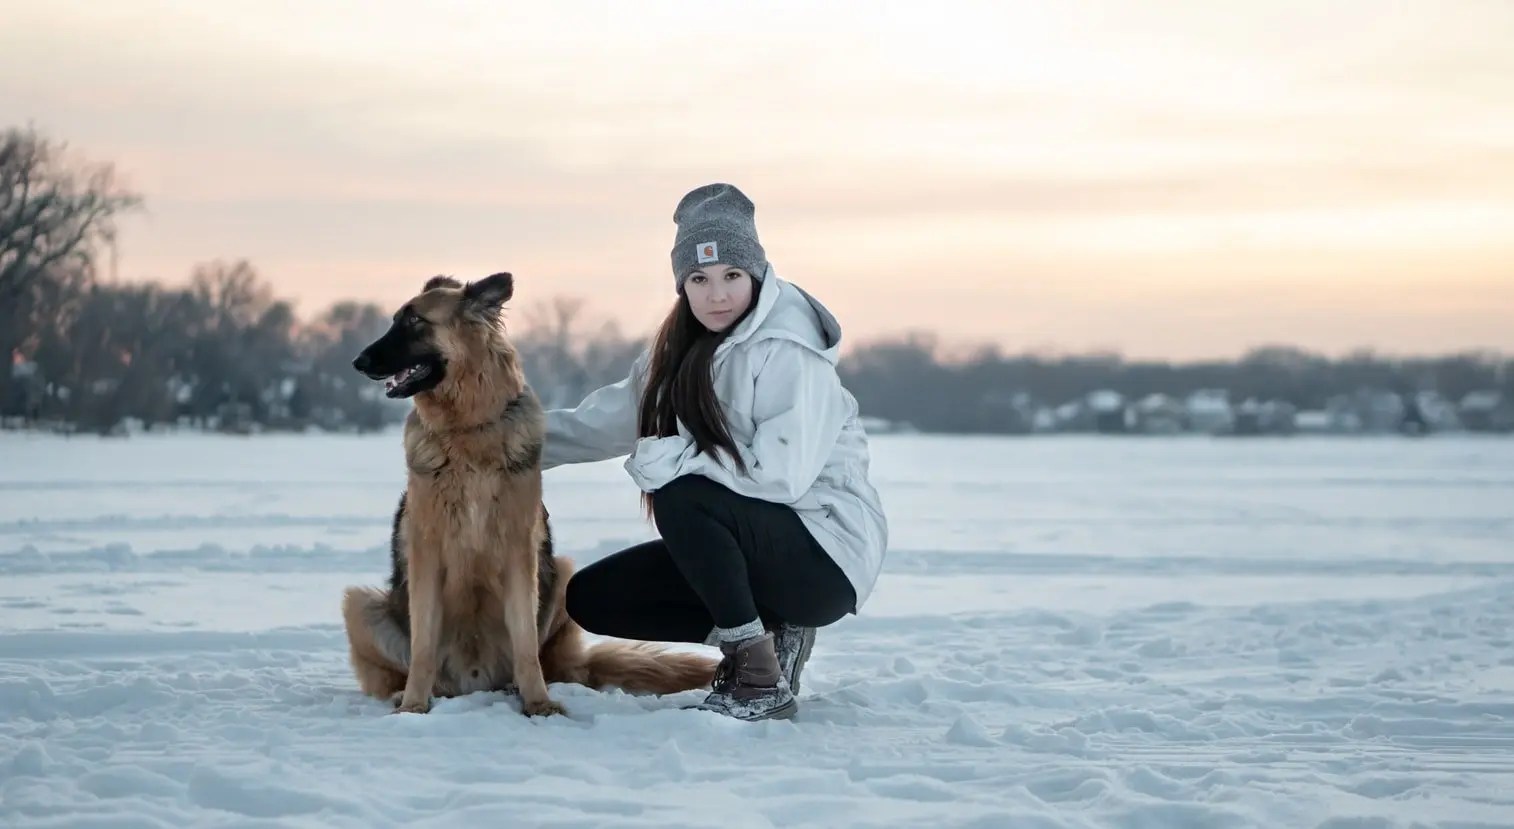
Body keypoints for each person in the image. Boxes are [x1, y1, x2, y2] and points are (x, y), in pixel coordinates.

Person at [540, 183, 888, 721]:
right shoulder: (677, 353)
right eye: (699, 280)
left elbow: (782, 477)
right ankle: (771, 634)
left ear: (756, 275)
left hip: (823, 555)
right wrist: (501, 443)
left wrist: (673, 462)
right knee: (592, 597)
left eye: (731, 276)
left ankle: (756, 678)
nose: (716, 295)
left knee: (683, 493)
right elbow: (604, 422)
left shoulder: (791, 351)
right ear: (683, 286)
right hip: (754, 547)